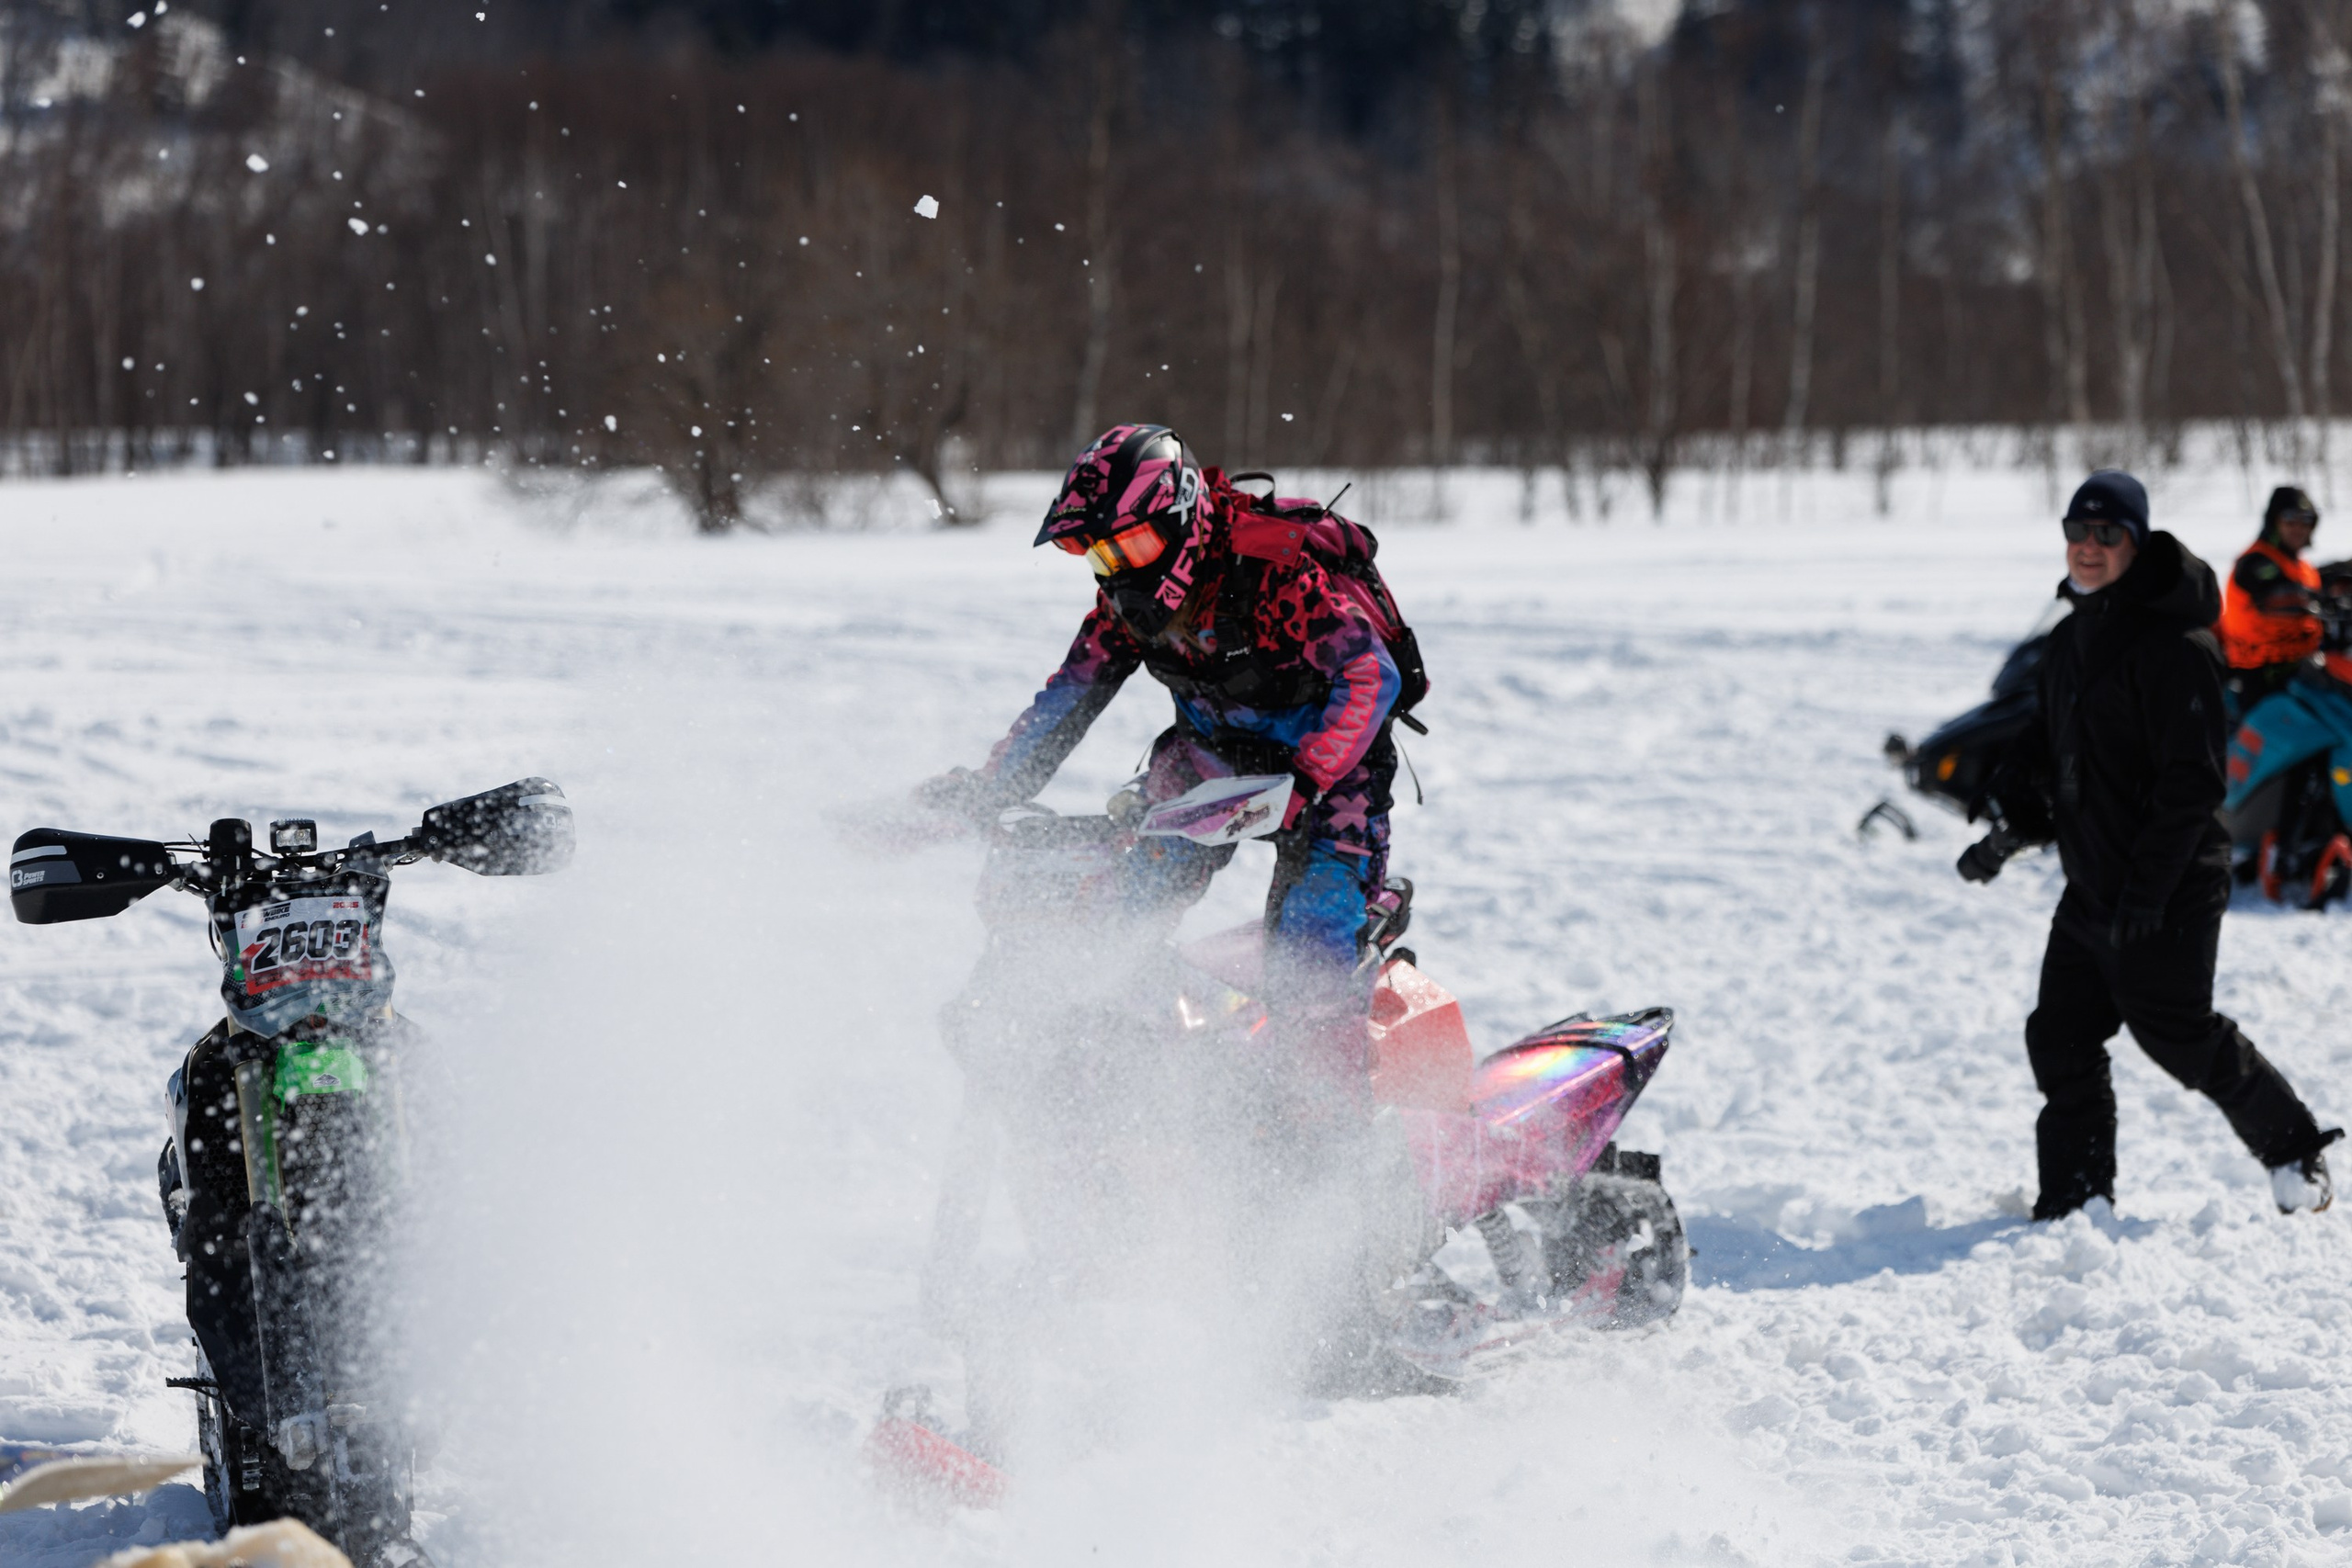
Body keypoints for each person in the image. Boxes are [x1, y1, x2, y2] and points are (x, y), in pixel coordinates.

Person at [922, 423, 1404, 1121]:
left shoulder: (1274, 569)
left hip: (1331, 777)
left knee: (1310, 959)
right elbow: (1070, 694)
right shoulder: (1126, 604)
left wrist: (1307, 777)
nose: (1120, 569)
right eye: (1101, 553)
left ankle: (1334, 1141)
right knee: (1114, 917)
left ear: (1182, 516)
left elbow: (1370, 677)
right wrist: (993, 788)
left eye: (1134, 546)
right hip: (1212, 765)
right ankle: (1122, 1087)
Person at [1959, 469, 2339, 1218]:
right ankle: (2075, 1200)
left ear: (2136, 542)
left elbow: (2193, 787)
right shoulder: (2070, 639)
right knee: (2060, 1036)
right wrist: (2008, 811)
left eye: (2108, 533)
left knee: (2179, 1035)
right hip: (2095, 883)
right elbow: (2051, 749)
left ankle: (2296, 1150)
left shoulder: (2177, 647)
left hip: (2170, 885)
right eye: (2077, 530)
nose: (2089, 546)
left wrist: (2147, 892)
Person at [2216, 485, 2325, 718]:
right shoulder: (2255, 562)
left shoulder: (2304, 568)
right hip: (2259, 675)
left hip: (2301, 668)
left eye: (2306, 520)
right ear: (2274, 521)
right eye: (2290, 519)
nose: (2298, 527)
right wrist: (2322, 600)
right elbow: (2281, 594)